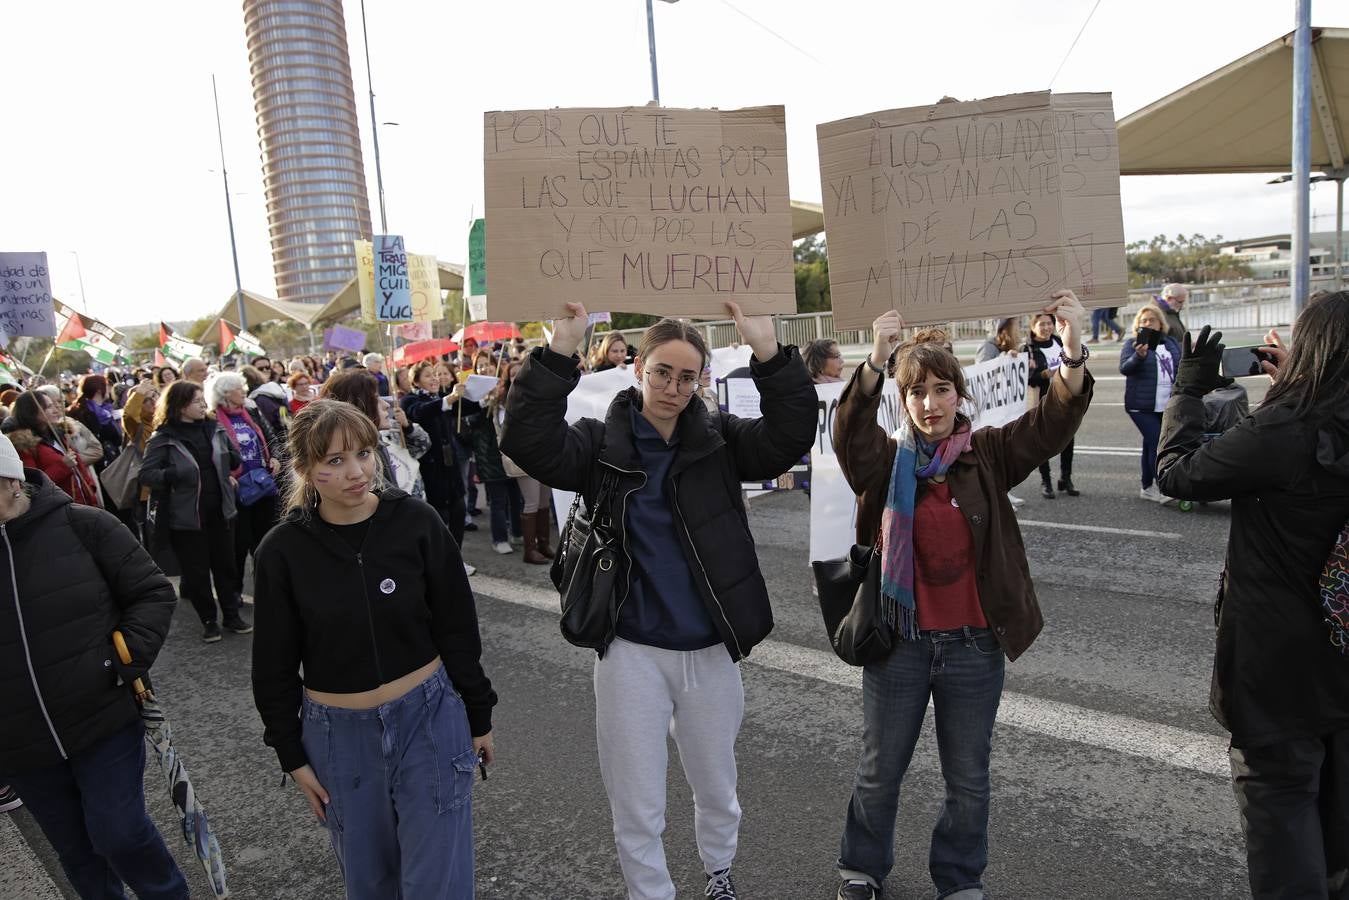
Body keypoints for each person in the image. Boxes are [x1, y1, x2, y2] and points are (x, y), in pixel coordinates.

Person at [500, 300, 817, 900]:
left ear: (701, 382)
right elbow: (528, 440)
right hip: (629, 652)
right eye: (661, 372)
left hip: (709, 648)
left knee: (716, 785)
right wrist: (559, 351)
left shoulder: (720, 438)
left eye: (686, 376)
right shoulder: (600, 444)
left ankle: (718, 873)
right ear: (638, 369)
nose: (672, 387)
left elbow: (788, 436)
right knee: (637, 799)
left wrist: (770, 354)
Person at [832, 292, 1092, 900]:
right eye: (916, 393)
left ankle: (959, 878)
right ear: (904, 400)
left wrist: (1073, 346)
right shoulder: (884, 463)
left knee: (969, 778)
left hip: (975, 645)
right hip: (899, 644)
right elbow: (849, 437)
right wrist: (874, 361)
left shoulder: (989, 454)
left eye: (941, 391)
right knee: (880, 771)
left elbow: (1051, 423)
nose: (929, 404)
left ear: (960, 395)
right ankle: (862, 868)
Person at [251, 399, 496, 899]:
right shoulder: (281, 551)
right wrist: (291, 755)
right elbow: (273, 666)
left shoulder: (417, 522)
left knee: (438, 883)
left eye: (364, 453)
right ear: (304, 469)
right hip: (338, 738)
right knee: (370, 883)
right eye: (334, 461)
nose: (356, 472)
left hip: (430, 721)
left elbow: (457, 628)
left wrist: (478, 712)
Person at [1156, 293, 1349, 899]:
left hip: (1276, 671)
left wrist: (1188, 390)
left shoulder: (1282, 428)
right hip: (1342, 655)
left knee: (1284, 821)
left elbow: (1178, 473)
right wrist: (1300, 383)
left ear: (1309, 350)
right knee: (1340, 829)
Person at [0, 434, 189, 898]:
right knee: (78, 855)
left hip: (101, 716)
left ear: (9, 479)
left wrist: (121, 658)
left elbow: (152, 592)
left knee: (118, 833)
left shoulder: (83, 525)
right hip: (19, 741)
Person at [140, 381, 249, 642]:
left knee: (227, 567)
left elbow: (233, 458)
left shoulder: (214, 428)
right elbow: (147, 474)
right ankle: (209, 621)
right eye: (196, 401)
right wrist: (175, 474)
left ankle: (232, 615)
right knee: (197, 572)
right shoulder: (164, 438)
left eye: (203, 400)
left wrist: (233, 459)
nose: (203, 405)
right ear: (179, 406)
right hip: (187, 518)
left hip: (221, 512)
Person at [207, 372, 281, 605]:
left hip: (262, 484)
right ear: (226, 393)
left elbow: (270, 438)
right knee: (239, 545)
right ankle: (235, 591)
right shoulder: (212, 420)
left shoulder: (251, 412)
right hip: (237, 490)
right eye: (239, 388)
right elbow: (211, 455)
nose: (244, 392)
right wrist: (224, 475)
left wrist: (275, 457)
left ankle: (267, 587)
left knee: (266, 540)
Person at [401, 361, 468, 544]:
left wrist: (484, 399)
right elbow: (420, 413)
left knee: (459, 510)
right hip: (431, 469)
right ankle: (440, 562)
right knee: (439, 517)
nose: (435, 379)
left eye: (435, 374)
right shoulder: (410, 400)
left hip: (450, 466)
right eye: (428, 375)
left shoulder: (440, 397)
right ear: (416, 381)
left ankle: (457, 558)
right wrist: (449, 399)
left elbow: (464, 408)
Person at [1120, 303, 1181, 503]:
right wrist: (1139, 356)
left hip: (1165, 403)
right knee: (1157, 443)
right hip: (1141, 405)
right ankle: (1162, 486)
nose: (1147, 323)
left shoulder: (1171, 342)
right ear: (1138, 325)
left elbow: (1179, 365)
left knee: (1150, 444)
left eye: (1151, 320)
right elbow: (1125, 369)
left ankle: (1147, 487)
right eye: (1143, 321)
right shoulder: (1132, 344)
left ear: (1160, 323)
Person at [464, 352, 522, 555]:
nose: (484, 369)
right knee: (498, 500)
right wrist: (483, 406)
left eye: (487, 365)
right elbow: (468, 422)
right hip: (488, 454)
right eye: (479, 366)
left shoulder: (504, 387)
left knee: (517, 496)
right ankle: (499, 538)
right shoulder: (472, 393)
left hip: (510, 451)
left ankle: (518, 532)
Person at [495, 361, 550, 565]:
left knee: (544, 501)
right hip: (524, 458)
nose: (517, 377)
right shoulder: (504, 401)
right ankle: (530, 550)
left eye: (521, 373)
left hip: (543, 454)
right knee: (532, 502)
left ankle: (544, 543)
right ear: (508, 379)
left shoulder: (538, 394)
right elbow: (507, 430)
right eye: (513, 374)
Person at [9, 391, 101, 507]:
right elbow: (33, 486)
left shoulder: (58, 433)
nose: (55, 410)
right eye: (48, 407)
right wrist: (63, 466)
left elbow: (79, 466)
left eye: (53, 405)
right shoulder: (24, 445)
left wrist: (90, 489)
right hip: (61, 509)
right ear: (31, 412)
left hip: (85, 503)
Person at [1025, 312, 1078, 498]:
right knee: (1043, 443)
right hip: (1043, 401)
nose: (1047, 327)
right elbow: (1026, 379)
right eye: (1041, 324)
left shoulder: (1059, 341)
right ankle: (1046, 481)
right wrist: (1044, 375)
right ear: (1033, 327)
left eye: (1049, 323)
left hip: (1065, 398)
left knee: (1068, 440)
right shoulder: (1028, 349)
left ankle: (1066, 478)